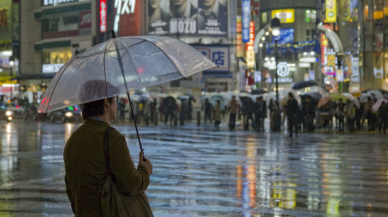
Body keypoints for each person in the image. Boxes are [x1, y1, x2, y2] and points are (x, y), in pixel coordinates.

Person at [64, 80, 153, 216]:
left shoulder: (72, 140)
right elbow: (131, 184)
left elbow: (71, 188)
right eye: (115, 99)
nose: (116, 104)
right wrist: (144, 171)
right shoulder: (111, 138)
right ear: (106, 101)